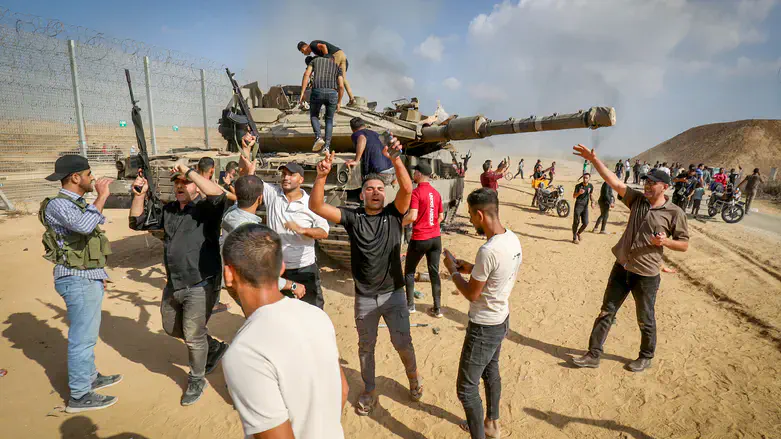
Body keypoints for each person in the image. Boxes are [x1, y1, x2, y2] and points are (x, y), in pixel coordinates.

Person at [309, 140, 422, 416]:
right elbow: (317, 206)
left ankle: (414, 378)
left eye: (380, 189)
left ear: (385, 194)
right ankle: (370, 390)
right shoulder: (353, 218)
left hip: (394, 294)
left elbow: (407, 189)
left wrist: (396, 159)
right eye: (370, 189)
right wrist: (322, 176)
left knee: (402, 342)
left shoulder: (394, 215)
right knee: (365, 348)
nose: (375, 192)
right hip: (365, 298)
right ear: (362, 195)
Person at [221, 224, 348, 439]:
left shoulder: (244, 352)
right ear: (281, 267)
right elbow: (342, 390)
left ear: (229, 273)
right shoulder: (317, 315)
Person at [571, 144, 689, 372]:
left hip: (645, 275)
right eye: (645, 181)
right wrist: (594, 161)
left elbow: (683, 244)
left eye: (652, 182)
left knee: (645, 318)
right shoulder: (637, 200)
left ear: (664, 187)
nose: (646, 185)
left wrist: (665, 242)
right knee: (606, 311)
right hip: (621, 268)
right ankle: (593, 354)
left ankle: (645, 356)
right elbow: (614, 181)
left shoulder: (675, 213)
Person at [129, 163, 230, 405]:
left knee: (193, 336)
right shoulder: (170, 210)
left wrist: (189, 171)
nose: (180, 186)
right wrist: (139, 196)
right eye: (177, 183)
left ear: (197, 184)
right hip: (175, 281)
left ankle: (197, 379)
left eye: (185, 182)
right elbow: (137, 222)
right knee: (171, 327)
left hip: (200, 281)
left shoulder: (207, 209)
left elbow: (219, 195)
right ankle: (213, 348)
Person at [40, 155, 121, 413]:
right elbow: (85, 227)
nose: (93, 178)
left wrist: (99, 274)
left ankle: (90, 377)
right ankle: (79, 395)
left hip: (86, 277)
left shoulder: (76, 203)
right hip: (75, 279)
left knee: (87, 335)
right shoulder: (58, 205)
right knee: (81, 340)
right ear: (75, 177)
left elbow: (89, 241)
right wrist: (103, 196)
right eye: (88, 173)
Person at [442, 188, 522, 439]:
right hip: (501, 319)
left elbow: (472, 294)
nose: (470, 220)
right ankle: (492, 423)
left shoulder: (488, 250)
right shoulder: (512, 239)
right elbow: (495, 272)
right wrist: (470, 267)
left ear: (479, 215)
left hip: (483, 326)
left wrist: (453, 272)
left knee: (466, 389)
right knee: (491, 370)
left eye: (470, 215)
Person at [259, 159, 330, 308]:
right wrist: (246, 153)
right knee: (280, 310)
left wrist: (302, 230)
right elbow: (249, 180)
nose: (286, 177)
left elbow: (324, 232)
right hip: (277, 268)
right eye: (284, 174)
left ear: (301, 180)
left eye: (292, 175)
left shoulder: (311, 203)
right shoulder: (273, 194)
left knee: (313, 310)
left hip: (304, 267)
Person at [401, 162, 444, 316]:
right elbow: (440, 216)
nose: (414, 175)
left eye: (415, 172)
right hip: (435, 239)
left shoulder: (416, 193)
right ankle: (437, 308)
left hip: (420, 238)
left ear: (419, 174)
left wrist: (398, 222)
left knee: (409, 272)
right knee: (434, 272)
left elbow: (412, 216)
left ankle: (410, 306)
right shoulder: (436, 193)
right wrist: (431, 225)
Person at [298, 55, 344, 154]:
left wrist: (302, 93)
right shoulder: (337, 66)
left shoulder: (315, 61)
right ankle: (326, 147)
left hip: (317, 91)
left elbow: (307, 75)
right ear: (332, 59)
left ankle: (318, 137)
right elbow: (341, 86)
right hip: (332, 93)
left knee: (314, 116)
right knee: (329, 120)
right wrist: (339, 102)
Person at [298, 39, 355, 106]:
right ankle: (352, 99)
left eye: (302, 52)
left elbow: (323, 46)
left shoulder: (312, 45)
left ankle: (334, 101)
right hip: (342, 54)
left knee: (331, 78)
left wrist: (327, 59)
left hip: (335, 55)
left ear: (304, 47)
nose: (304, 54)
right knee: (342, 79)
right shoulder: (315, 51)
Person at [346, 117, 395, 185]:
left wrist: (356, 161)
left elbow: (362, 139)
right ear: (364, 125)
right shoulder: (375, 134)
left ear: (352, 129)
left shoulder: (358, 133)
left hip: (379, 174)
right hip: (391, 172)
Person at [572, 173, 595, 244]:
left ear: (589, 179)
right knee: (576, 222)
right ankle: (574, 238)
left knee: (586, 223)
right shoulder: (578, 186)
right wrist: (579, 193)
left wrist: (592, 201)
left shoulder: (590, 186)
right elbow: (574, 196)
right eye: (584, 178)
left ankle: (578, 233)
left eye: (587, 178)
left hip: (585, 207)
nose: (585, 179)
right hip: (578, 206)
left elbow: (591, 194)